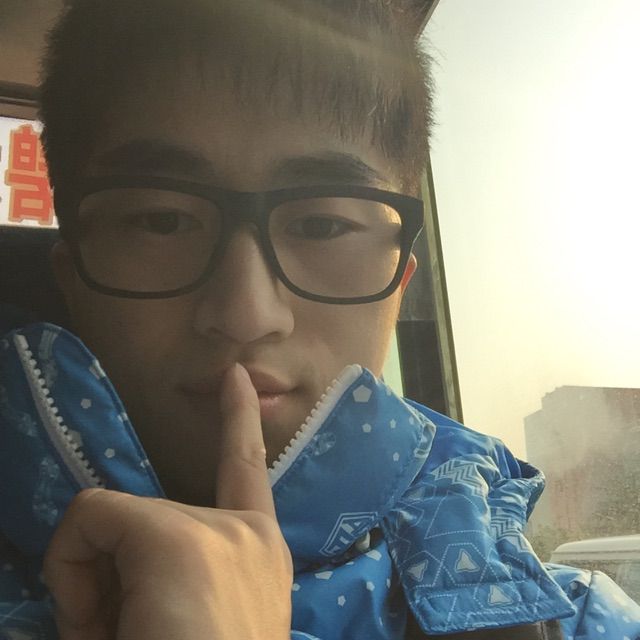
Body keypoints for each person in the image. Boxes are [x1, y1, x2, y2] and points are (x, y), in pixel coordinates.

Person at [0, 1, 639, 638]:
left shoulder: (572, 622)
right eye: (162, 220)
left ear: (400, 285)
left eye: (323, 225)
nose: (247, 314)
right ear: (70, 274)